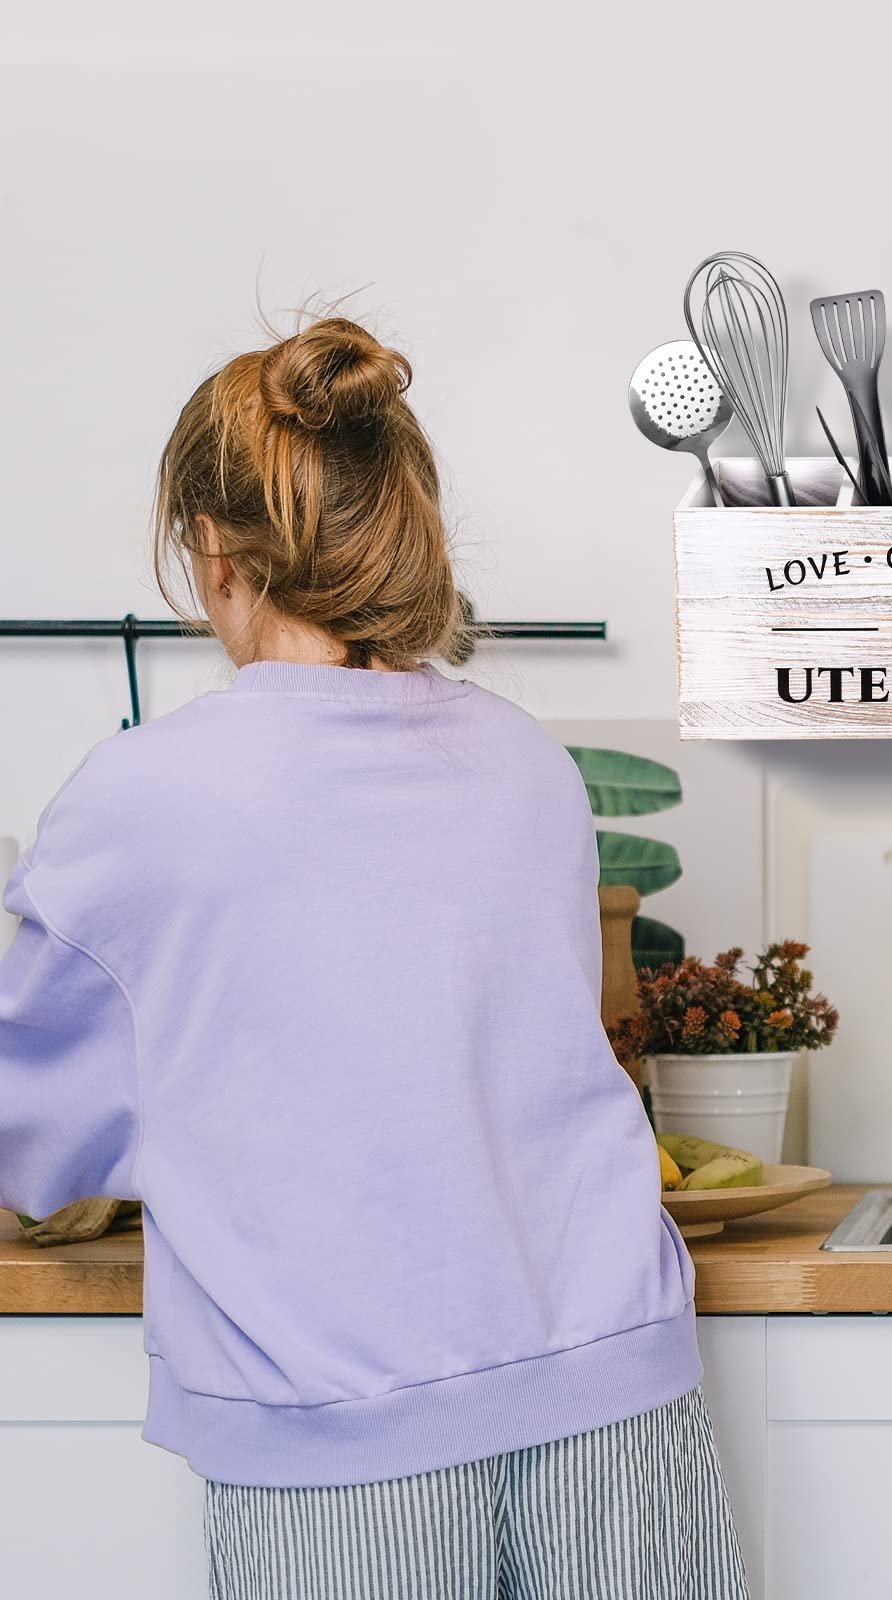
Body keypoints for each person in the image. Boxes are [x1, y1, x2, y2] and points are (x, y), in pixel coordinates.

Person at [0, 315, 747, 1599]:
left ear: (212, 549)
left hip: (347, 1435)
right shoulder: (526, 765)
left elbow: (32, 1143)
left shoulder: (141, 801)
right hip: (620, 1401)